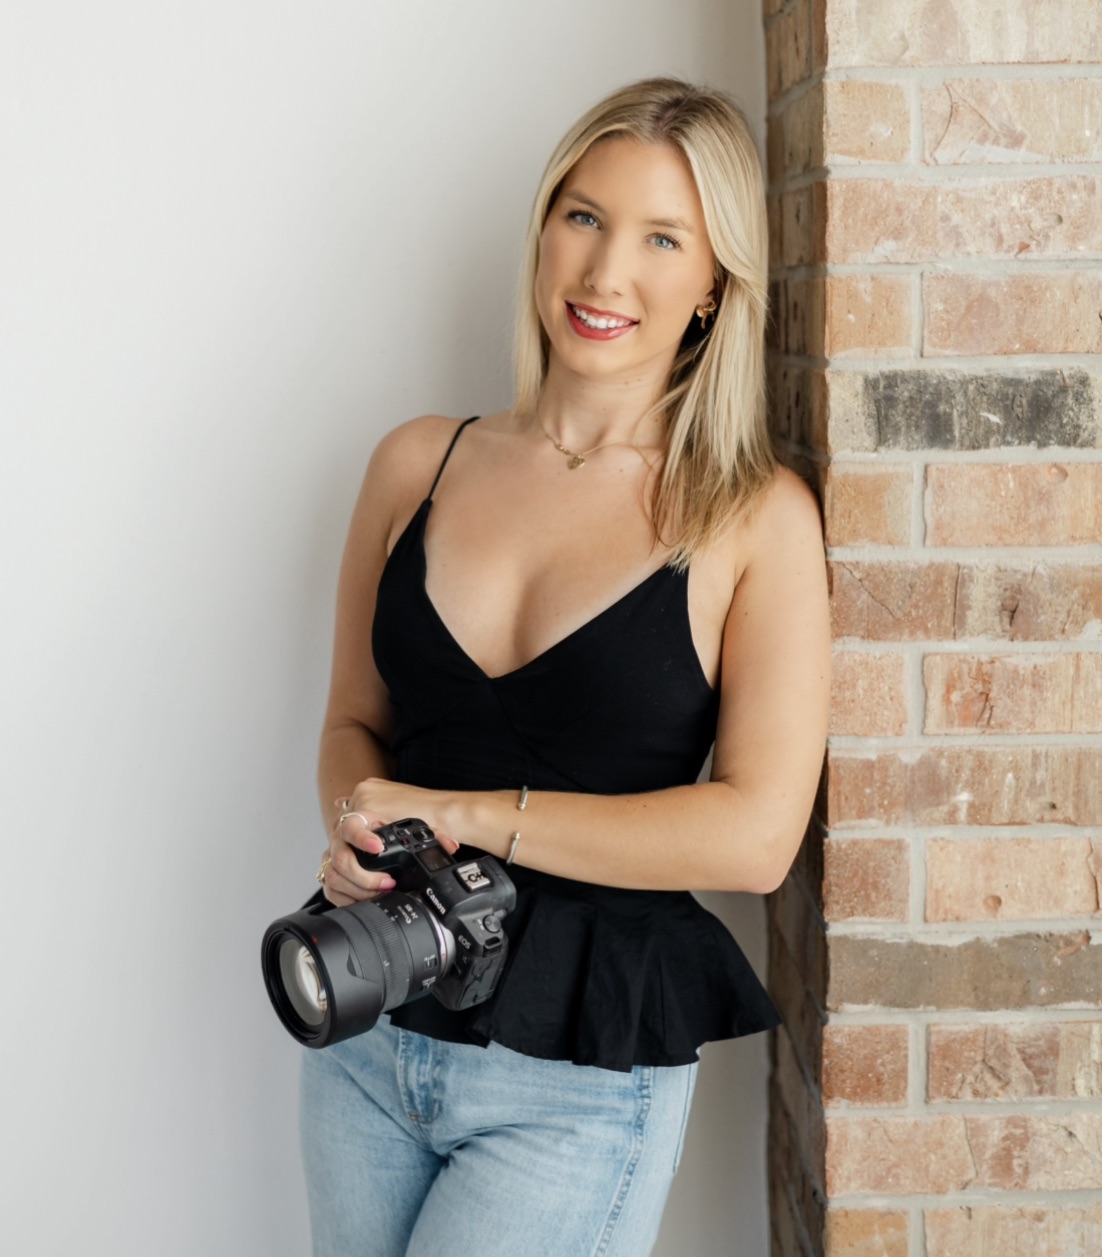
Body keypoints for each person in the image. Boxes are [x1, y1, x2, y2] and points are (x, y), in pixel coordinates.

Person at [301, 77, 830, 1257]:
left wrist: (471, 814)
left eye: (661, 239)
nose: (604, 274)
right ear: (544, 228)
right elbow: (351, 726)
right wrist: (353, 828)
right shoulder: (415, 464)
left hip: (576, 1084)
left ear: (715, 283)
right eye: (583, 217)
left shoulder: (752, 520)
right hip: (368, 1024)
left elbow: (755, 836)